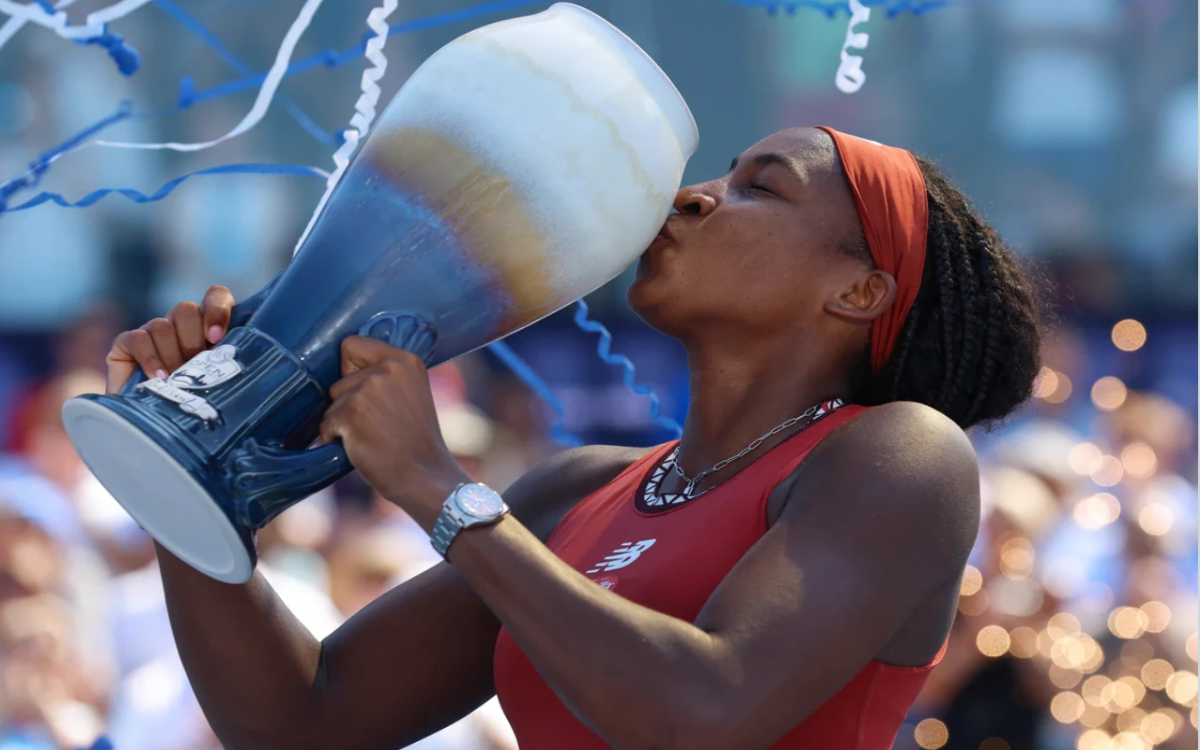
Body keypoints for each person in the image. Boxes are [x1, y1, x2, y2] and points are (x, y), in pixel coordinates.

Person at [104, 127, 1043, 750]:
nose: (689, 196)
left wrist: (441, 491)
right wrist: (189, 476)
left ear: (860, 290)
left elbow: (707, 711)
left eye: (760, 187)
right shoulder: (572, 493)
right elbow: (302, 725)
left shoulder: (903, 455)